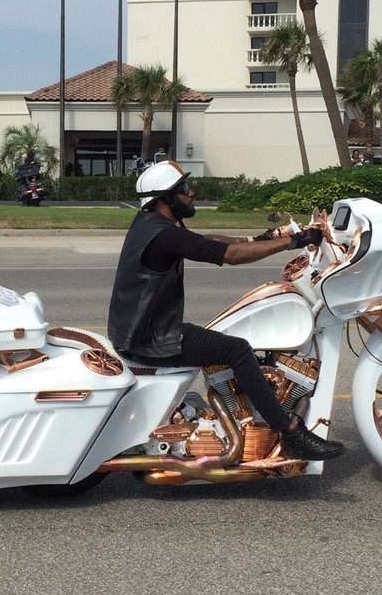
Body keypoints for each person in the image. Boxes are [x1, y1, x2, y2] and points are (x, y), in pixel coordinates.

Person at [107, 161, 345, 462]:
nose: (191, 192)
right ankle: (289, 432)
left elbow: (210, 242)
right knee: (237, 349)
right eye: (182, 189)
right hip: (151, 338)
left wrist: (268, 237)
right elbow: (229, 255)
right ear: (165, 198)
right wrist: (294, 242)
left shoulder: (152, 226)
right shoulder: (164, 235)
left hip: (141, 331)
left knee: (222, 340)